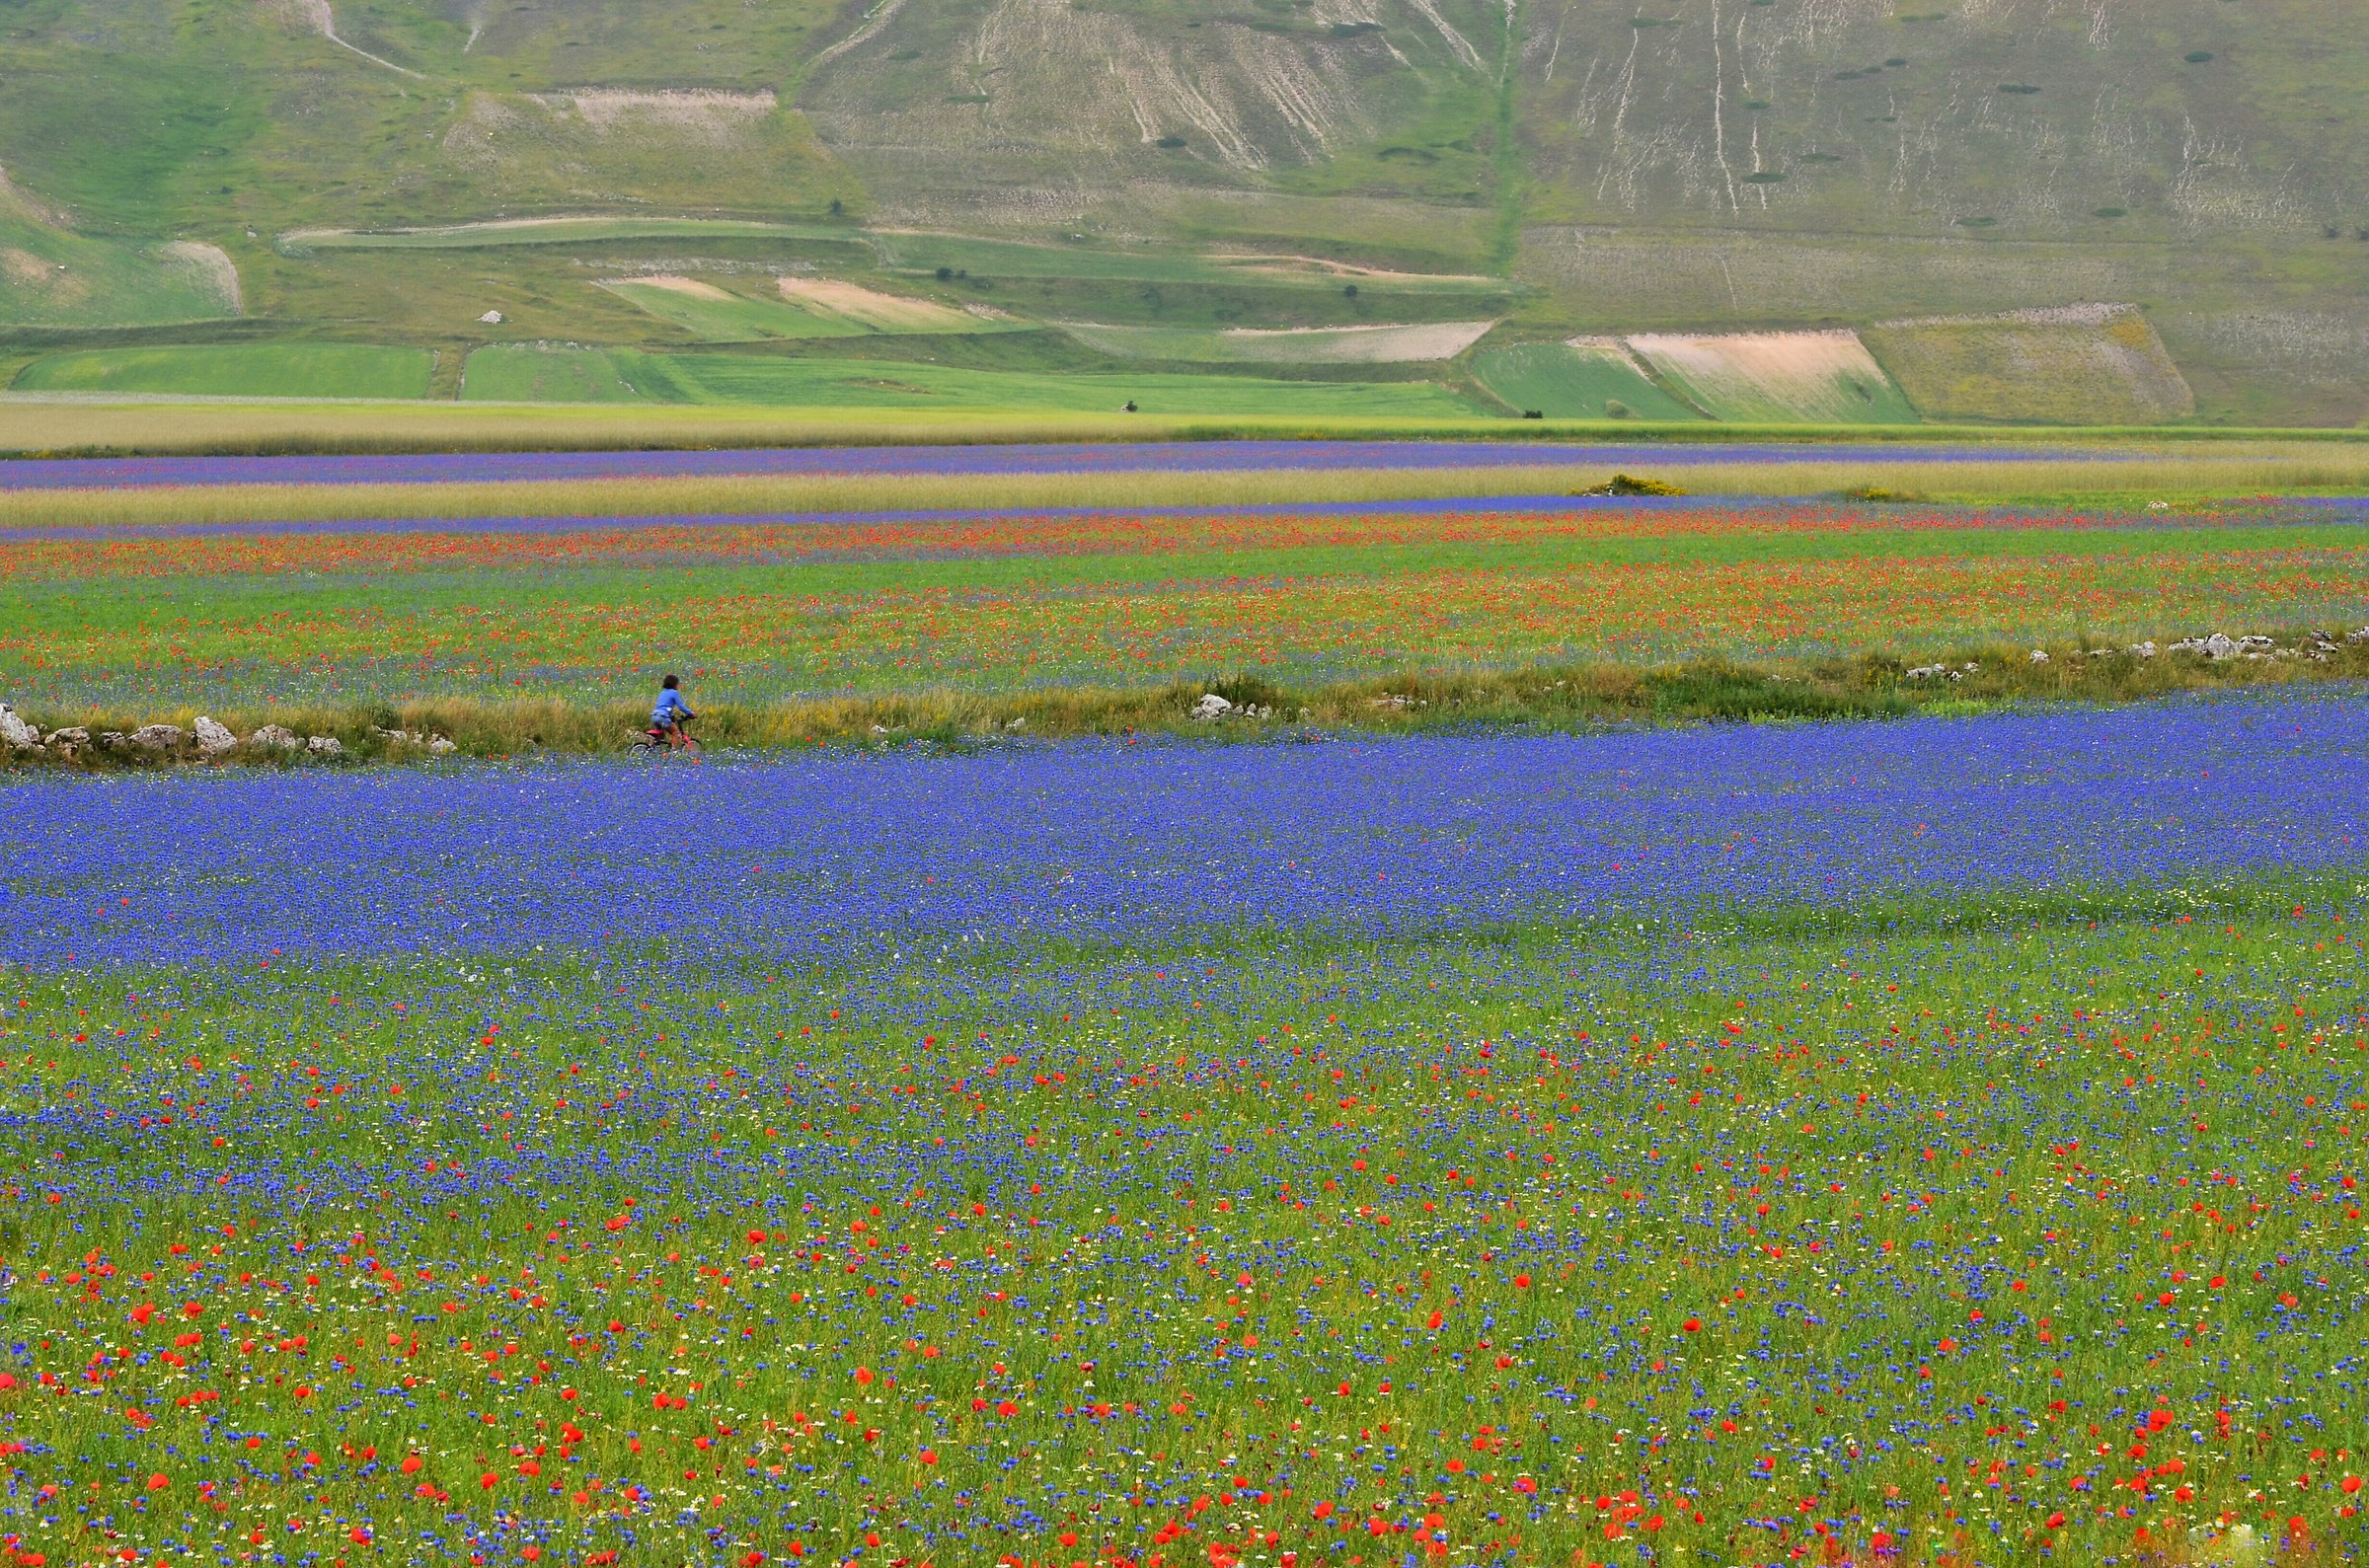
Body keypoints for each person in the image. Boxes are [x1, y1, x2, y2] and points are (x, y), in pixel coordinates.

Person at [650, 675, 696, 749]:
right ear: (674, 684)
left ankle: (650, 749)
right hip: (662, 717)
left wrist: (670, 716)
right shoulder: (674, 693)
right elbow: (681, 706)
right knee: (675, 732)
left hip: (654, 716)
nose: (678, 686)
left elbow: (663, 706)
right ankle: (673, 753)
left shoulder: (663, 692)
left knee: (660, 735)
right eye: (678, 684)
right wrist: (690, 713)